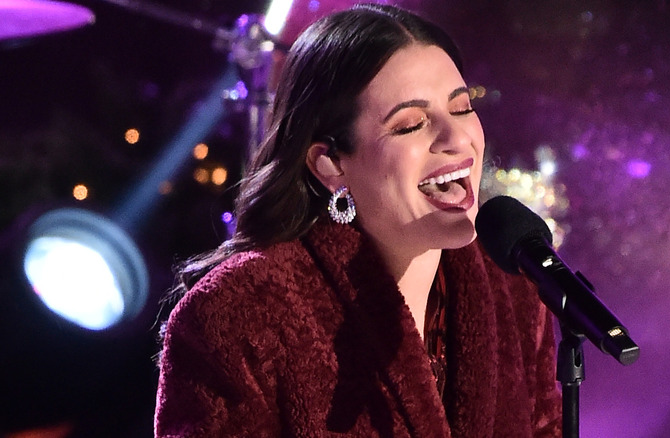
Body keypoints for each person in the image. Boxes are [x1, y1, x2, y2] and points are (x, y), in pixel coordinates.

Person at [154, 3, 562, 437]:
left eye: (461, 109)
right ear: (330, 164)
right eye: (411, 124)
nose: (456, 137)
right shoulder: (239, 314)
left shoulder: (516, 290)